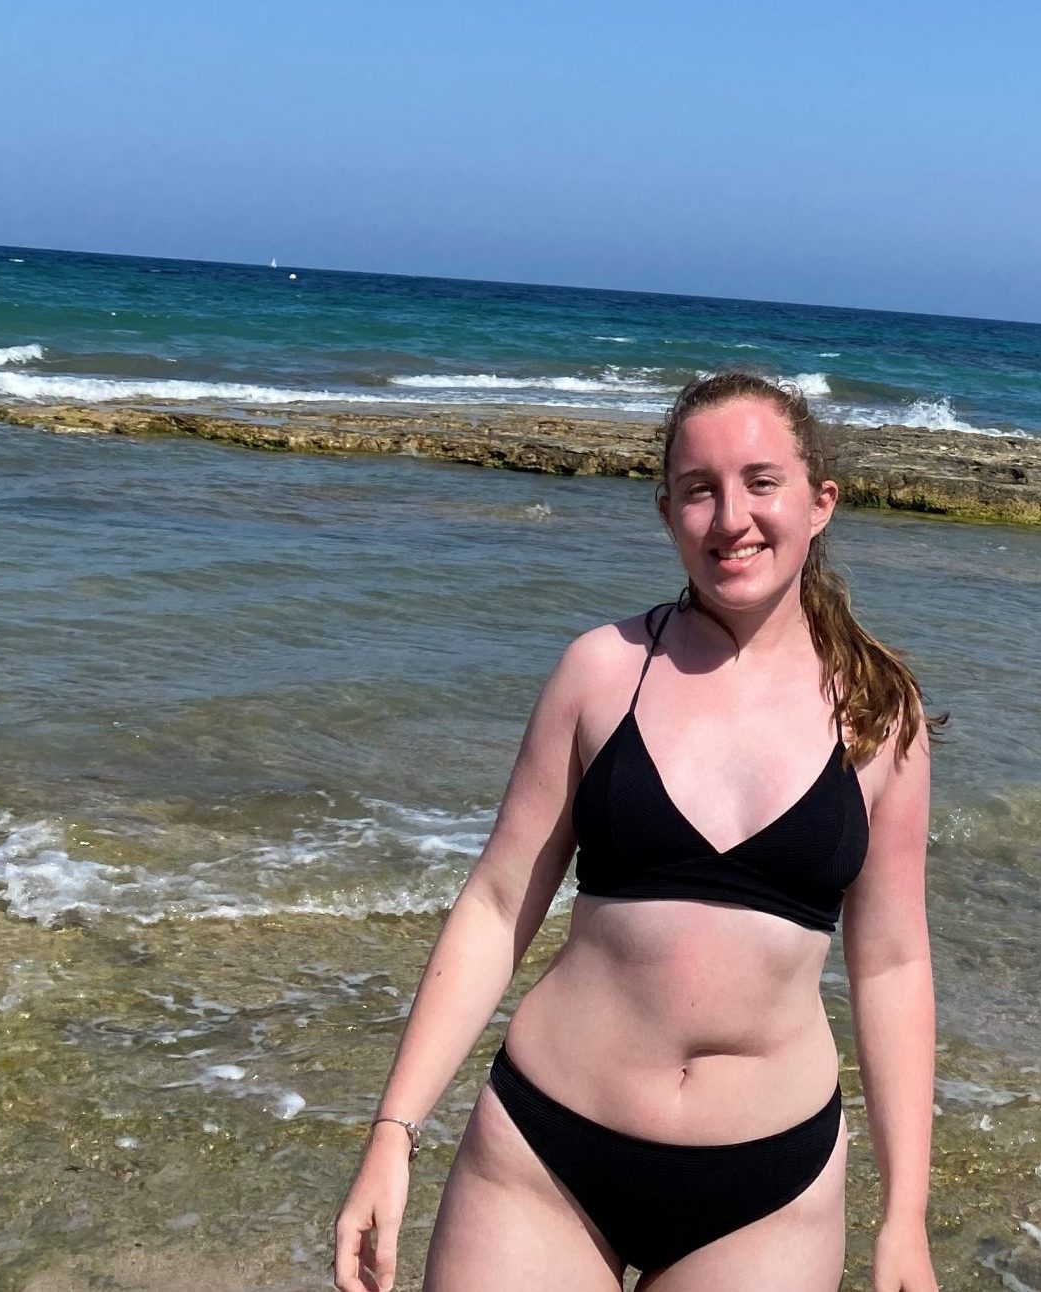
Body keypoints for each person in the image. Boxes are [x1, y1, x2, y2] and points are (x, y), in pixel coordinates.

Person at [333, 371, 943, 1292]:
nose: (731, 517)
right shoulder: (601, 673)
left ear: (819, 504)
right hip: (543, 1158)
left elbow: (893, 962)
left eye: (760, 482)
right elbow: (498, 906)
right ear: (668, 513)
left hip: (768, 1192)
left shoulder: (877, 716)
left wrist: (905, 1217)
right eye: (700, 490)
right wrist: (393, 1136)